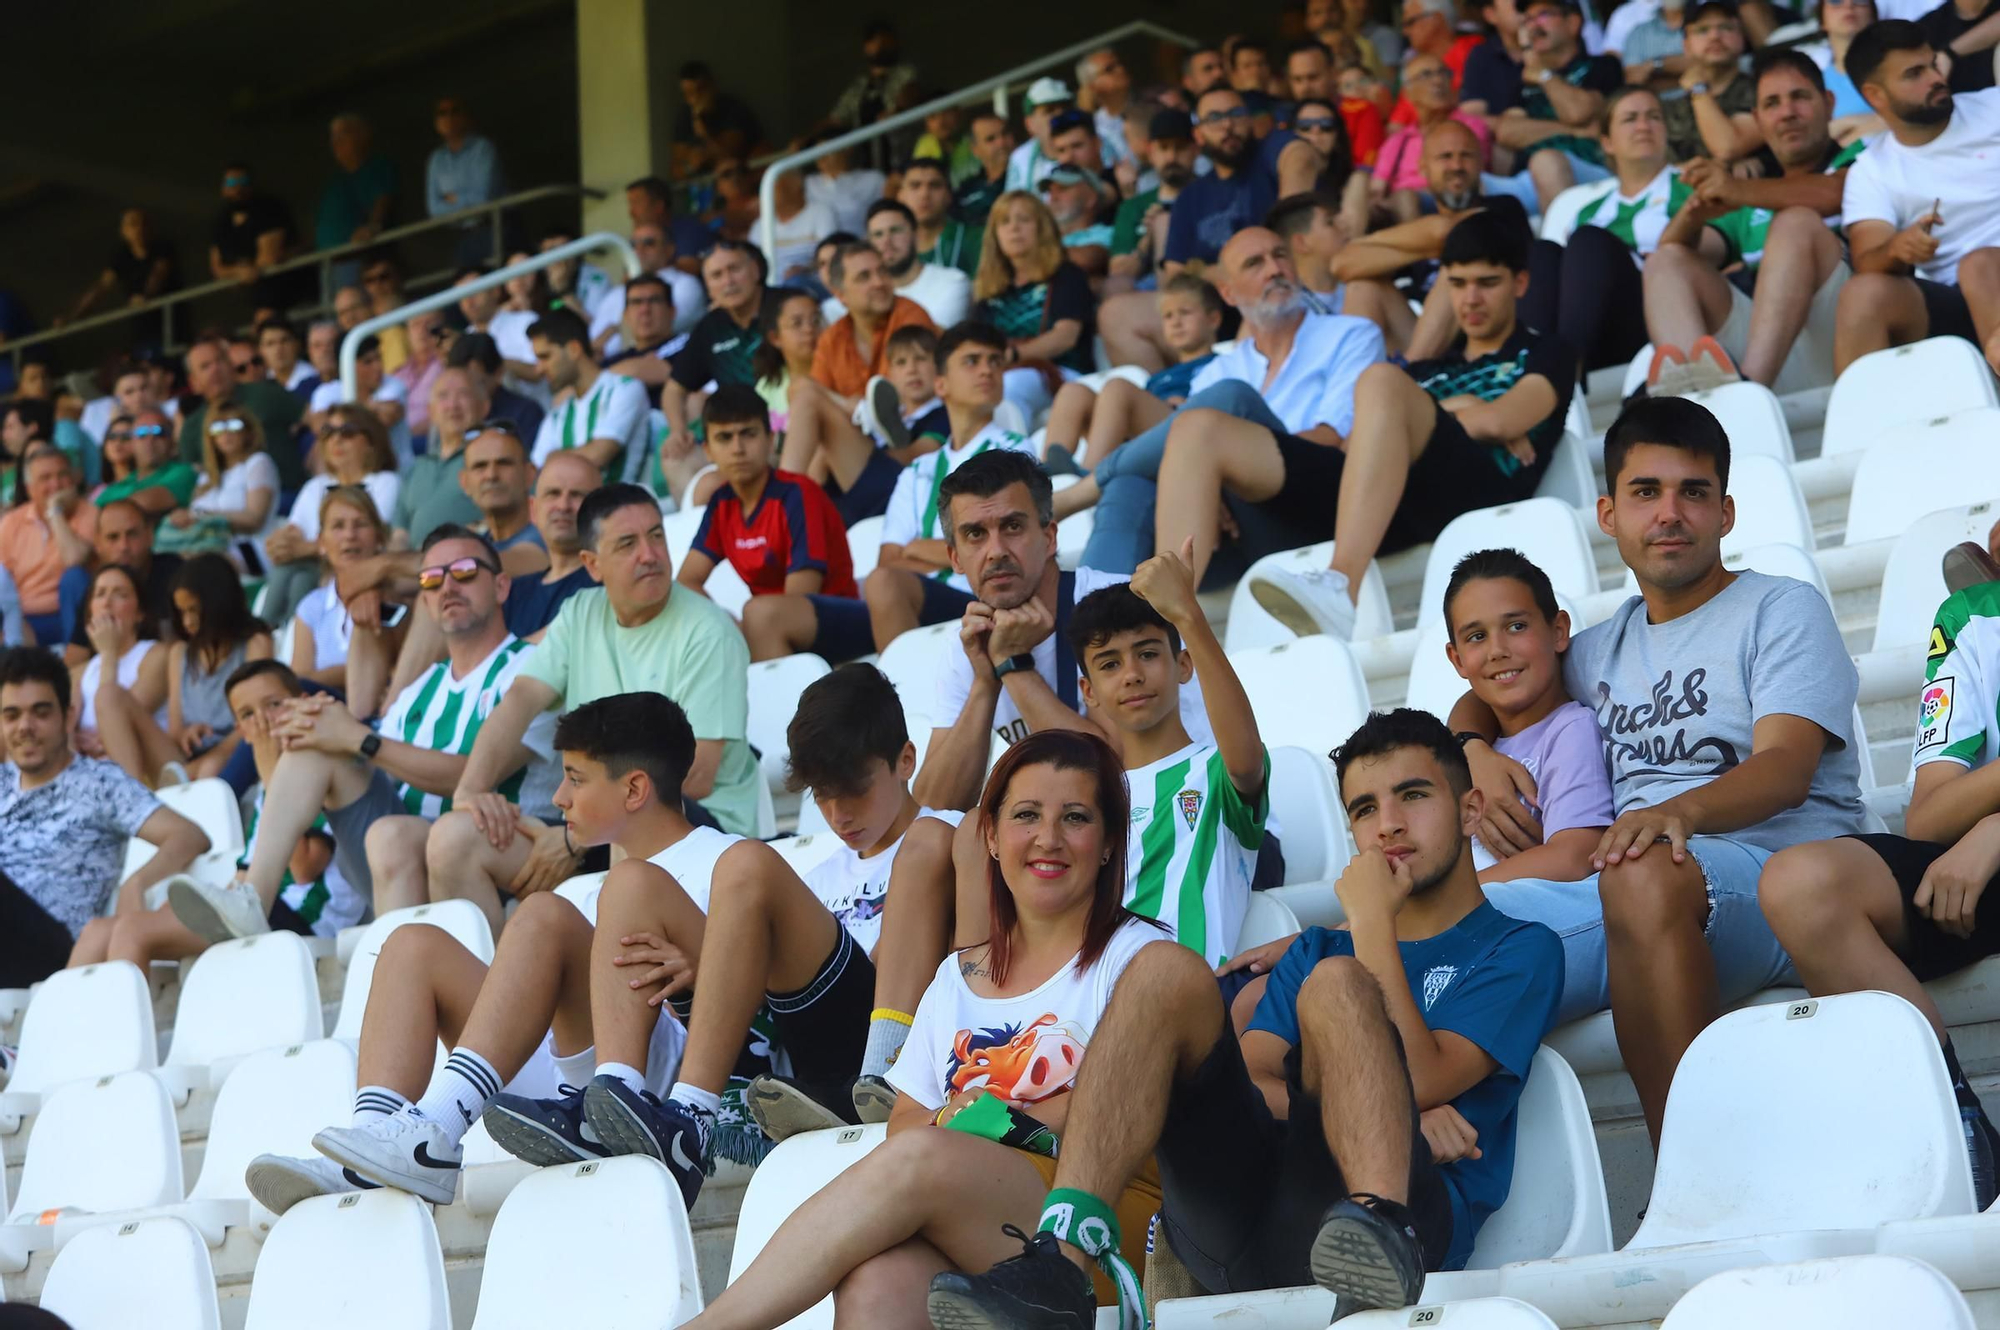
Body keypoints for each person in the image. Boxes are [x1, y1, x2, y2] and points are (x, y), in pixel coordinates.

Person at [927, 710, 1565, 1323]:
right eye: (1365, 809)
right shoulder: (1315, 945)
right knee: (1163, 969)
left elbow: (1419, 1077)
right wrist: (1378, 1108)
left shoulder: (1520, 947)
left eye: (1414, 796)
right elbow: (1261, 1083)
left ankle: (1380, 1227)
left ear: (1470, 809)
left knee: (1339, 984)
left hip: (1406, 1220)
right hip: (1257, 1218)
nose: (1388, 826)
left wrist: (1371, 923)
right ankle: (1061, 1266)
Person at [1458, 396, 1866, 1149]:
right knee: (1435, 940)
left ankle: (1691, 1170)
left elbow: (1784, 769)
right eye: (1647, 493)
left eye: (1693, 493)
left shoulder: (1780, 608)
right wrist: (1470, 751)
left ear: (1727, 513)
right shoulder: (1600, 647)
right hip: (1631, 889)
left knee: (1639, 868)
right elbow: (1487, 688)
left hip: (1781, 881)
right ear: (1609, 514)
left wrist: (1677, 815)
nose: (1669, 513)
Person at [676, 728, 1175, 1327]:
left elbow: (1133, 1101)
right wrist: (957, 1120)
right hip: (985, 1216)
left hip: (1105, 1223)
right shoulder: (956, 977)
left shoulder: (1140, 959)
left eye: (1075, 818)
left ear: (1108, 842)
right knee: (878, 1280)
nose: (1048, 838)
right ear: (990, 837)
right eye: (1026, 816)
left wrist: (983, 1119)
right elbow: (908, 1122)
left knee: (925, 1160)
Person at [168, 525, 554, 937]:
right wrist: (327, 728)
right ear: (424, 599)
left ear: (500, 586)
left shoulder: (532, 668)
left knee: (397, 829)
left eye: (463, 572)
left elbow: (475, 775)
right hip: (401, 854)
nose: (447, 587)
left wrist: (357, 737)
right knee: (324, 748)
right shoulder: (421, 688)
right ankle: (252, 897)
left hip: (490, 853)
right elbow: (373, 760)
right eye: (431, 579)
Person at [1760, 577, 2000, 1204]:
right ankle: (1954, 1130)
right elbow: (1929, 815)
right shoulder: (1975, 614)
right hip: (1982, 867)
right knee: (1801, 882)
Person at [1234, 214, 1568, 639]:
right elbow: (1358, 442)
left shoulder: (1547, 351)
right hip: (1413, 502)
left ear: (1519, 284)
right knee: (1379, 385)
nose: (1471, 298)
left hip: (1488, 497)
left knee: (1380, 380)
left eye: (1487, 282)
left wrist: (1463, 417)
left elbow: (1503, 418)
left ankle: (1339, 587)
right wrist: (1466, 407)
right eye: (1458, 284)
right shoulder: (1429, 369)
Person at [442, 484, 761, 868]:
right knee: (454, 839)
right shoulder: (580, 612)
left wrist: (578, 838)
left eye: (656, 536)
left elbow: (697, 775)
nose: (650, 555)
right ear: (592, 565)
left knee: (632, 811)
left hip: (699, 831)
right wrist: (470, 791)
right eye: (627, 544)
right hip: (597, 824)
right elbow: (521, 698)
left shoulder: (709, 631)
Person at [1063, 227, 1384, 581]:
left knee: (1228, 400)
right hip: (1236, 520)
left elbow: (1332, 438)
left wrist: (1222, 460)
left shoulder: (1350, 334)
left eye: (1280, 256)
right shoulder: (1221, 367)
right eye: (1254, 263)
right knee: (1130, 484)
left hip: (1316, 498)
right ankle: (1097, 623)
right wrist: (1208, 473)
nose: (1274, 269)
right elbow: (1192, 452)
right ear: (1228, 294)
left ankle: (1083, 490)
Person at [1067, 551, 1268, 967]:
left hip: (1193, 1000)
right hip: (1093, 1007)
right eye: (1110, 663)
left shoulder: (1216, 771)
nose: (1132, 674)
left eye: (1148, 653)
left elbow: (1247, 763)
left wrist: (1188, 614)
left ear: (1183, 665)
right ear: (1089, 692)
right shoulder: (1085, 800)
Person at [1643, 50, 1863, 396]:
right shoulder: (1751, 198)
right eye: (1773, 104)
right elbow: (1670, 251)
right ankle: (1696, 407)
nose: (1787, 113)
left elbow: (1835, 192)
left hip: (1848, 348)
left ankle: (1747, 396)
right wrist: (1694, 210)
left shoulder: (1862, 157)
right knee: (1667, 261)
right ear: (1759, 121)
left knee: (1795, 224)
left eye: (1800, 98)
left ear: (1829, 103)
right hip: (1780, 361)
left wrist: (1734, 188)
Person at [0, 648, 206, 986]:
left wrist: (137, 881)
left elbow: (188, 835)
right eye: (12, 715)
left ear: (67, 718)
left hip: (56, 951)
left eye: (40, 712)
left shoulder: (100, 783)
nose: (25, 726)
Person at [1833, 19, 2000, 374]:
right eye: (1914, 73)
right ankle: (1868, 427)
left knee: (1980, 264)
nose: (1936, 78)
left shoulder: (1994, 107)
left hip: (1987, 270)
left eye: (1933, 64)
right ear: (1875, 95)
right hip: (1957, 307)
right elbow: (1867, 258)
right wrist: (1896, 248)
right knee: (1862, 294)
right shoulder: (1871, 170)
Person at [861, 324, 1038, 653]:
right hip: (927, 598)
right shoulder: (917, 470)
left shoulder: (1016, 450)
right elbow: (889, 561)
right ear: (940, 384)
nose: (987, 369)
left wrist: (916, 547)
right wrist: (958, 550)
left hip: (990, 597)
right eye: (972, 361)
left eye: (996, 361)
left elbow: (997, 548)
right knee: (882, 581)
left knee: (885, 584)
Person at [676, 386, 864, 662]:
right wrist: (725, 622)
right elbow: (686, 582)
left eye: (748, 434)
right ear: (708, 450)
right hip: (768, 624)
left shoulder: (798, 494)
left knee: (759, 614)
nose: (738, 449)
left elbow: (802, 594)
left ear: (771, 439)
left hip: (839, 620)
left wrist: (749, 627)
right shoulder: (721, 504)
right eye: (724, 438)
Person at [1522, 86, 1679, 373]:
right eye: (1630, 118)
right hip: (1593, 329)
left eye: (1653, 116)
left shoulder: (1692, 187)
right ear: (1607, 142)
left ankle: (1560, 374)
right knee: (1541, 252)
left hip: (1657, 319)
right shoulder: (1586, 211)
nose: (1643, 126)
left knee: (1589, 242)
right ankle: (1531, 369)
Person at [91, 554, 272, 786]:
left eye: (194, 610)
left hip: (236, 752)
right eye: (182, 612)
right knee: (109, 695)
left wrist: (213, 755)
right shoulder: (180, 653)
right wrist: (186, 734)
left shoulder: (255, 643)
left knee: (211, 767)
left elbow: (257, 717)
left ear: (218, 603)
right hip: (183, 760)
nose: (187, 622)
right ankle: (132, 796)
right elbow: (175, 729)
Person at [219, 661, 367, 938]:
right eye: (249, 714)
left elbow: (304, 868)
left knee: (145, 931)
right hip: (270, 910)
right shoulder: (266, 789)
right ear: (242, 732)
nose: (264, 721)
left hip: (311, 921)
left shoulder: (324, 766)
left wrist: (268, 772)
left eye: (274, 705)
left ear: (303, 703)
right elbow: (245, 874)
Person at [1042, 275, 1223, 475]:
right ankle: (1045, 477)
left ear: (1213, 319)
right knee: (1073, 391)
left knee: (1118, 388)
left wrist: (1186, 404)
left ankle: (1091, 474)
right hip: (1141, 440)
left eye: (1185, 313)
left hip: (1186, 435)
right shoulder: (1161, 376)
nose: (1176, 322)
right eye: (1168, 316)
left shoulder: (1222, 364)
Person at [261, 406, 400, 629]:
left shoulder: (385, 482)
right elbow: (292, 533)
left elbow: (371, 536)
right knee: (289, 573)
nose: (336, 440)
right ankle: (266, 634)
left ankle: (278, 636)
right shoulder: (315, 486)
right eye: (328, 432)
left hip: (356, 566)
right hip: (313, 565)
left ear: (371, 440)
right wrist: (280, 545)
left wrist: (305, 549)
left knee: (301, 581)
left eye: (347, 432)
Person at [662, 241, 784, 488]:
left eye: (734, 269)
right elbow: (673, 390)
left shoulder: (785, 307)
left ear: (755, 271)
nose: (728, 281)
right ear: (708, 287)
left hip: (783, 426)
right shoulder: (709, 328)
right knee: (677, 458)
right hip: (737, 434)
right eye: (717, 275)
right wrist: (678, 431)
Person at [1495, 0, 1626, 211]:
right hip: (1527, 179)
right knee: (1478, 185)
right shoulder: (1523, 82)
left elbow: (1578, 112)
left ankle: (1562, 243)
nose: (1534, 26)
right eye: (1528, 19)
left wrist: (1545, 76)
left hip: (1590, 171)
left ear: (1573, 23)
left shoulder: (1603, 66)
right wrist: (1574, 130)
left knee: (1546, 161)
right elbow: (1506, 132)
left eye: (1543, 15)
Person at [974, 193, 1096, 418]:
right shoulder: (990, 291)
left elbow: (1065, 336)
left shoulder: (1066, 275)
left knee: (1008, 387)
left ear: (1042, 228)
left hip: (1065, 376)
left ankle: (1011, 453)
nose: (1014, 228)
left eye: (1024, 219)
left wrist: (1013, 355)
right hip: (1006, 371)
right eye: (1005, 221)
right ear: (995, 235)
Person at [290, 487, 406, 719]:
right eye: (338, 526)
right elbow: (298, 681)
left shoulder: (399, 596)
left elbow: (399, 671)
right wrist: (353, 672)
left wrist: (329, 676)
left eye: (360, 524)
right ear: (321, 543)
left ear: (380, 537)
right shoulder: (312, 605)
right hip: (320, 710)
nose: (350, 535)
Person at [525, 309, 651, 486]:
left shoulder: (624, 389)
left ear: (574, 349)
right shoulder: (557, 413)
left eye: (545, 357)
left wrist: (555, 457)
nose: (539, 369)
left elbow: (600, 454)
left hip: (619, 505)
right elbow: (537, 471)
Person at [68, 563, 169, 784]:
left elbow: (119, 721)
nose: (106, 602)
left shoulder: (156, 655)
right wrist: (72, 739)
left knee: (108, 696)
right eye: (100, 594)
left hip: (148, 770)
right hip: (91, 775)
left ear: (140, 613)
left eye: (120, 595)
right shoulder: (78, 672)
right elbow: (62, 729)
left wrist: (109, 652)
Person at [812, 241, 940, 403]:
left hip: (912, 423)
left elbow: (899, 397)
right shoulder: (831, 339)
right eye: (864, 277)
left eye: (883, 272)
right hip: (851, 423)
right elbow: (816, 396)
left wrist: (851, 406)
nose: (879, 282)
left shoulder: (910, 316)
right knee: (802, 389)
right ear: (840, 295)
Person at [1372, 55, 1496, 221]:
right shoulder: (1398, 141)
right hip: (1399, 210)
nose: (1438, 81)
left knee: (1406, 197)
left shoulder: (1470, 127)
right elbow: (1376, 189)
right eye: (1426, 75)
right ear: (1408, 93)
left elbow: (1470, 175)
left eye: (1443, 73)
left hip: (1453, 202)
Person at [58, 498, 180, 665]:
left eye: (132, 534)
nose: (123, 546)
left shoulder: (176, 574)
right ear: (98, 544)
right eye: (113, 537)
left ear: (150, 535)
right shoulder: (98, 590)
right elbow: (73, 662)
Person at [175, 337, 304, 494]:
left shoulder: (266, 393)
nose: (215, 369)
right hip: (226, 507)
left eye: (220, 360)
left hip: (286, 494)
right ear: (193, 382)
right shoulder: (191, 427)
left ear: (230, 366)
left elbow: (315, 421)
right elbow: (191, 478)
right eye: (205, 366)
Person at [0, 447, 94, 645]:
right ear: (29, 488)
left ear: (74, 479)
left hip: (69, 614)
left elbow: (74, 559)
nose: (56, 484)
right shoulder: (11, 522)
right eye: (45, 478)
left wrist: (55, 511)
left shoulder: (89, 513)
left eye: (62, 475)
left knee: (74, 576)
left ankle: (76, 655)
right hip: (22, 619)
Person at [503, 451, 602, 639]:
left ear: (602, 510)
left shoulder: (611, 582)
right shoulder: (511, 592)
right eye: (553, 494)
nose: (563, 505)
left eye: (577, 495)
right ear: (533, 509)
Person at [1656, 1, 1761, 164]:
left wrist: (1698, 89)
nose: (1715, 36)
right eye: (1702, 30)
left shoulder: (1762, 91)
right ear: (1686, 45)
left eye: (1726, 27)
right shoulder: (1670, 108)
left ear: (1742, 37)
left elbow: (1726, 149)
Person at [176, 408, 278, 566]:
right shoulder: (207, 476)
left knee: (198, 563)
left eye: (234, 425)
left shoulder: (258, 462)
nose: (226, 433)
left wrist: (205, 516)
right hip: (208, 547)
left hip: (252, 550)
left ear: (248, 432)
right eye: (217, 428)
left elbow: (255, 519)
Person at [866, 199, 973, 328]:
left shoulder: (953, 282)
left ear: (916, 234)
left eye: (895, 230)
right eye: (878, 234)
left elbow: (928, 341)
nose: (886, 241)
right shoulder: (861, 294)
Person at [62, 207, 178, 325]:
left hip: (172, 324)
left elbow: (159, 274)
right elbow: (101, 288)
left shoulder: (163, 248)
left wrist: (146, 296)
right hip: (144, 331)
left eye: (144, 223)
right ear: (123, 231)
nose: (140, 228)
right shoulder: (122, 257)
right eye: (133, 224)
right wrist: (71, 317)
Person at [426, 97, 504, 264]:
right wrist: (467, 203)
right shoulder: (437, 159)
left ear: (466, 117)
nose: (449, 117)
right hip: (461, 236)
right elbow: (434, 210)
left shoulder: (482, 148)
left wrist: (454, 200)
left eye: (455, 111)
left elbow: (483, 200)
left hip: (494, 228)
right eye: (442, 113)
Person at [207, 164, 294, 307]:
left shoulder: (269, 209)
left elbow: (267, 258)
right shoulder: (222, 221)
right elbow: (217, 268)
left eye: (243, 182)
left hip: (289, 289)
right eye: (231, 183)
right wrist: (239, 271)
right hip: (255, 301)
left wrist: (245, 271)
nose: (237, 189)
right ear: (223, 189)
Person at [316, 113, 396, 255]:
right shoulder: (335, 181)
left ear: (363, 135)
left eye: (343, 134)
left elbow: (383, 200)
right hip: (327, 262)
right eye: (333, 136)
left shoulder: (377, 167)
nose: (336, 141)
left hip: (360, 257)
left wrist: (372, 226)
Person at [673, 61, 766, 179]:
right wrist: (690, 166)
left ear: (712, 86)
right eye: (688, 94)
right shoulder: (684, 116)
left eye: (700, 91)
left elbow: (730, 160)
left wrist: (705, 136)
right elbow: (675, 170)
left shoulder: (733, 109)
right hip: (704, 188)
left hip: (740, 181)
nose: (695, 99)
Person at [448, 332, 545, 438]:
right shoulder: (446, 411)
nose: (469, 390)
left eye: (478, 383)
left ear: (498, 373)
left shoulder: (526, 413)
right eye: (461, 386)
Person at [901, 158, 982, 276]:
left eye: (934, 185)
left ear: (949, 195)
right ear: (900, 196)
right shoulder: (890, 243)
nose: (924, 194)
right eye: (915, 186)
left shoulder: (975, 238)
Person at [957, 112, 1016, 229]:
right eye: (991, 139)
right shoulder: (965, 189)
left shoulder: (1028, 175)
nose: (1001, 143)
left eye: (1005, 134)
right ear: (975, 149)